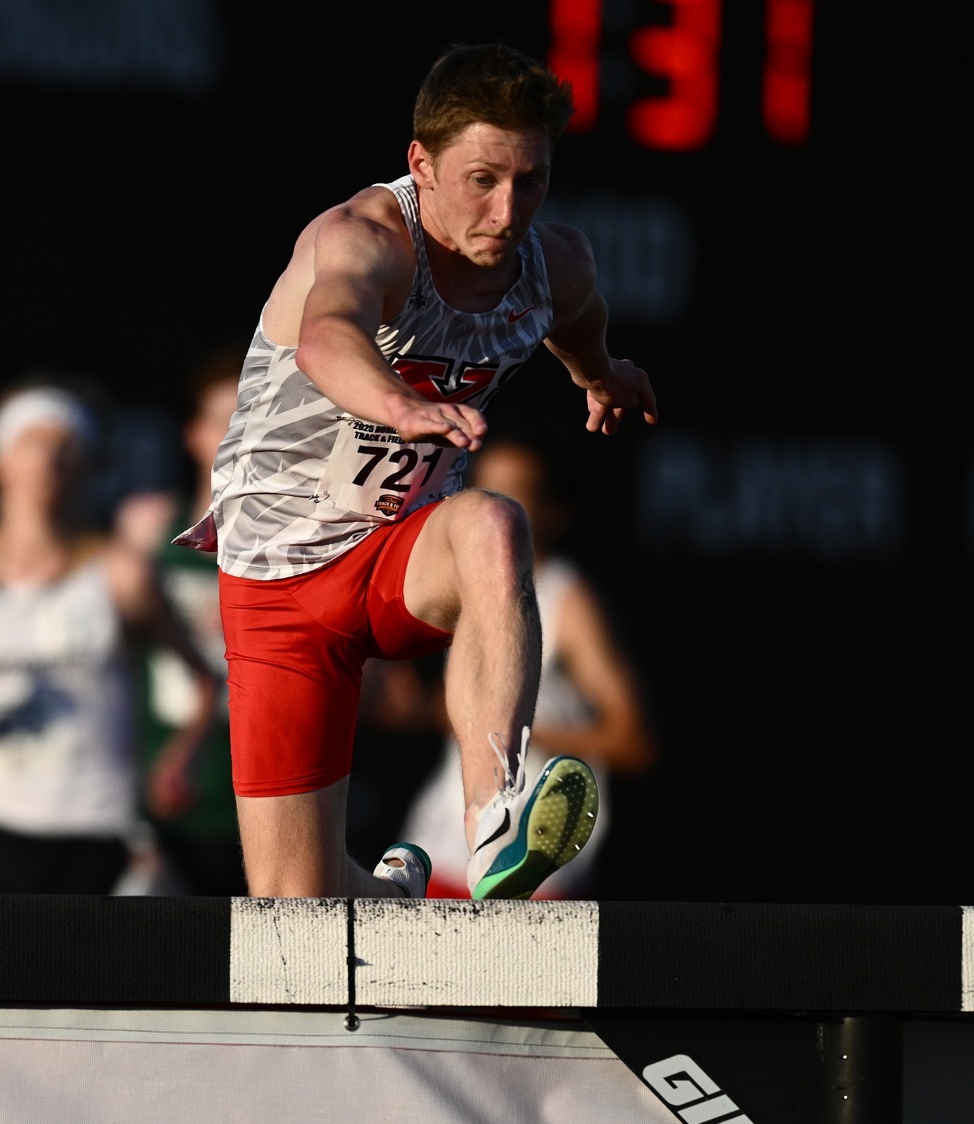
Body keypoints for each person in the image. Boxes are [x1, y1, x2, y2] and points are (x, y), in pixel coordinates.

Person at [173, 44, 658, 900]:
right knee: (297, 905)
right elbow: (328, 335)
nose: (508, 211)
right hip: (280, 579)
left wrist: (599, 373)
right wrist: (398, 405)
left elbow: (578, 317)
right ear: (421, 166)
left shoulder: (557, 265)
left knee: (493, 522)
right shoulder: (364, 238)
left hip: (397, 549)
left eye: (531, 182)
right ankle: (392, 895)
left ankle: (494, 822)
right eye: (482, 180)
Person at [0, 384, 215, 894]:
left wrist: (177, 760)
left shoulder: (119, 575)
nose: (48, 459)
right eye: (32, 442)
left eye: (65, 447)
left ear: (86, 467)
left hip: (97, 831)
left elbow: (206, 681)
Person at [397, 438, 656, 898]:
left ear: (553, 511)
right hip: (441, 857)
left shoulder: (568, 600)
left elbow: (631, 740)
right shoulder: (450, 587)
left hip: (535, 876)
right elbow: (413, 707)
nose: (491, 511)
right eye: (484, 491)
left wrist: (502, 726)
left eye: (514, 494)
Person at [115, 354, 249, 896]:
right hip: (156, 790)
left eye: (253, 417)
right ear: (193, 435)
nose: (239, 433)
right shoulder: (146, 527)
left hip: (252, 790)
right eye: (224, 418)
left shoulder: (303, 547)